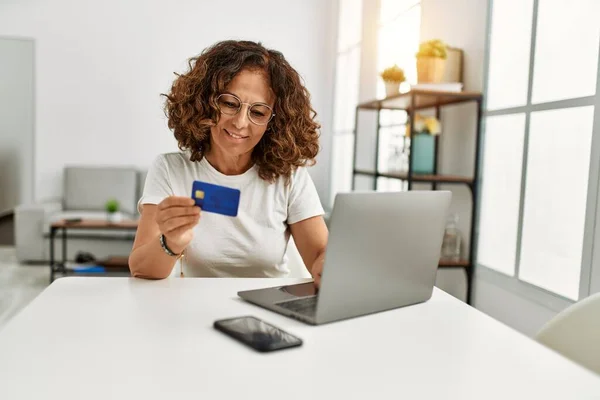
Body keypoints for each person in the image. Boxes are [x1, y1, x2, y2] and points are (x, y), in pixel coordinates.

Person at [129, 40, 328, 287]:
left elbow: (321, 261)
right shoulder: (170, 169)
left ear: (274, 122)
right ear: (204, 102)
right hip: (193, 310)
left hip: (270, 309)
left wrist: (334, 263)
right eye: (230, 104)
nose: (240, 123)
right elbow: (140, 269)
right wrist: (172, 242)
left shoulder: (289, 176)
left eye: (258, 112)